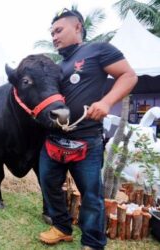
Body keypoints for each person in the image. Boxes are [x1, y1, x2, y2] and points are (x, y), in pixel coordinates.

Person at [38, 8, 137, 250]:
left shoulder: (98, 50)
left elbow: (128, 75)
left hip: (87, 139)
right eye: (51, 33)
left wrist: (105, 102)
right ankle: (61, 228)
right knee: (49, 185)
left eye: (59, 30)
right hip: (54, 138)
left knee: (91, 196)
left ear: (78, 27)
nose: (54, 37)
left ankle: (92, 242)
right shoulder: (58, 65)